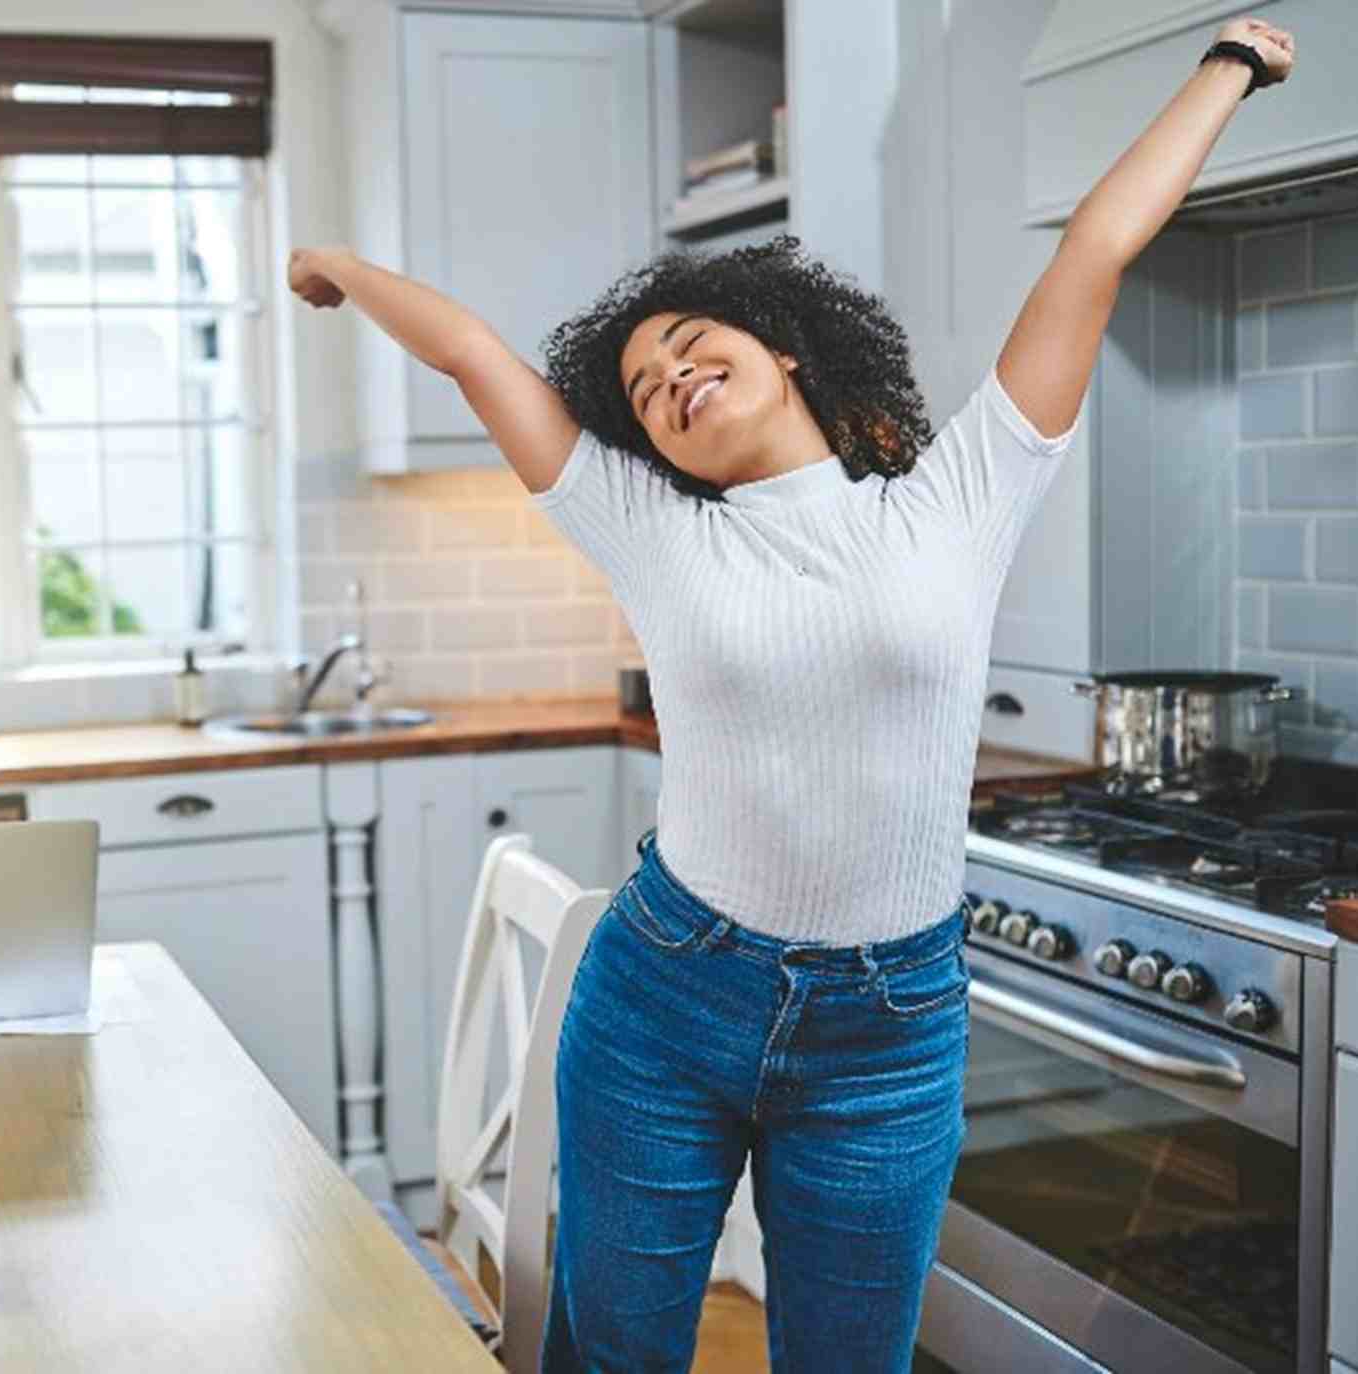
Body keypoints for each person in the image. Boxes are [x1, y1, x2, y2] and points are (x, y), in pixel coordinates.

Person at [289, 17, 1296, 1372]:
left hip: (886, 1037)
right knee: (615, 1357)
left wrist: (1226, 61)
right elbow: (476, 353)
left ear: (788, 350)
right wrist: (340, 266)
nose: (669, 381)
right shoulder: (654, 527)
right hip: (665, 999)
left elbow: (1091, 253)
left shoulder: (958, 497)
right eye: (641, 388)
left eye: (694, 344)